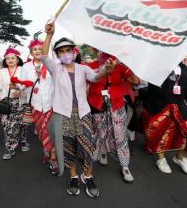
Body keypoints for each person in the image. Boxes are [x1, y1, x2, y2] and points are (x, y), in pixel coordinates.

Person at [42, 22, 115, 198]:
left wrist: (107, 70)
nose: (65, 54)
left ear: (74, 52)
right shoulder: (56, 69)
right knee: (68, 148)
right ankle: (73, 176)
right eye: (61, 51)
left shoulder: (83, 68)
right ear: (58, 55)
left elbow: (96, 77)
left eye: (68, 50)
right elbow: (44, 55)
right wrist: (50, 35)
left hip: (83, 114)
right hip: (63, 116)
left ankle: (87, 176)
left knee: (88, 147)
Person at [87, 51, 140, 183]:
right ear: (95, 50)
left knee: (120, 135)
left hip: (116, 106)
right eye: (100, 49)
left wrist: (128, 65)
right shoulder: (90, 66)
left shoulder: (122, 66)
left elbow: (136, 81)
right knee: (100, 132)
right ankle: (103, 153)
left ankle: (125, 165)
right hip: (97, 105)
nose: (104, 52)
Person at [142, 63, 187, 176]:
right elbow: (153, 88)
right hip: (160, 105)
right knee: (160, 133)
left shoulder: (183, 68)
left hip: (179, 105)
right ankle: (161, 158)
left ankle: (180, 158)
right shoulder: (156, 66)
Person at [20, 39, 58, 174]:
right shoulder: (26, 67)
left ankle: (53, 158)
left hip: (51, 104)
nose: (37, 51)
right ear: (31, 52)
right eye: (34, 49)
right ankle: (47, 151)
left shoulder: (51, 65)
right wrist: (22, 87)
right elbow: (22, 83)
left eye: (40, 48)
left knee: (49, 131)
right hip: (35, 104)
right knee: (41, 131)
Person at [0, 47, 28, 160]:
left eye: (13, 58)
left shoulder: (23, 69)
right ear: (5, 60)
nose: (10, 60)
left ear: (17, 59)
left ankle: (23, 141)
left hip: (20, 102)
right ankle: (10, 147)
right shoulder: (1, 71)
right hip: (6, 102)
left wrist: (19, 90)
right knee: (8, 126)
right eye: (8, 58)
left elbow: (26, 83)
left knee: (22, 124)